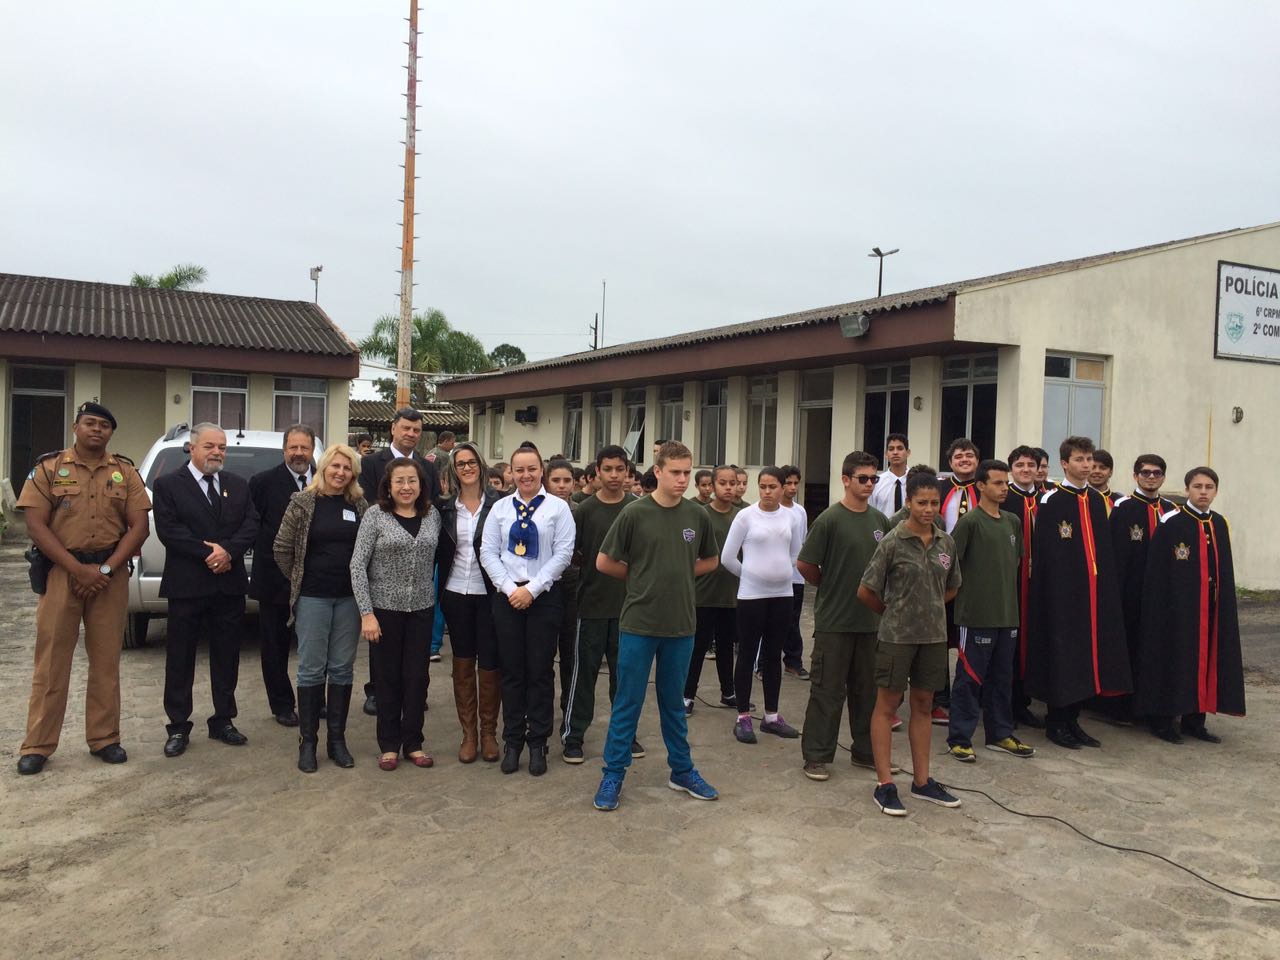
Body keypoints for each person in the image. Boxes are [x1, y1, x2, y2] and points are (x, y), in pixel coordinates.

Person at [15, 402, 151, 776]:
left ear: (111, 433)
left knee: (106, 662)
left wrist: (103, 569)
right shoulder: (49, 468)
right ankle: (37, 745)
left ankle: (105, 738)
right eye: (90, 423)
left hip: (110, 576)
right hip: (62, 573)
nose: (96, 430)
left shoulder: (125, 471)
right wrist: (78, 569)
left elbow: (139, 527)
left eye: (104, 425)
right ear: (76, 427)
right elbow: (36, 526)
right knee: (51, 662)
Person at [592, 441, 720, 811]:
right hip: (638, 624)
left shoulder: (697, 516)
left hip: (681, 625)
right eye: (676, 472)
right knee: (627, 702)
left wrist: (679, 573)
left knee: (673, 705)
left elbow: (710, 560)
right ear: (658, 472)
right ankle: (613, 773)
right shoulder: (635, 513)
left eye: (687, 472)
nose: (683, 480)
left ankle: (681, 770)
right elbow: (603, 561)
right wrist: (640, 578)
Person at [859, 471, 963, 817]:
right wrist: (895, 613)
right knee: (887, 706)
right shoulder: (892, 541)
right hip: (896, 638)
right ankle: (885, 784)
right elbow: (867, 591)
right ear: (909, 503)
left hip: (933, 638)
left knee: (923, 705)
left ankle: (922, 781)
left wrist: (929, 608)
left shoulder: (945, 543)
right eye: (922, 503)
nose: (929, 509)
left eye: (934, 503)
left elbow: (952, 587)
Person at [153, 423, 260, 759]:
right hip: (187, 585)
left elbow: (251, 524)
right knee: (180, 658)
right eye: (211, 446)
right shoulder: (168, 484)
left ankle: (223, 720)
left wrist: (227, 552)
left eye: (223, 448)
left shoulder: (237, 485)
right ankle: (178, 726)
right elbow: (170, 530)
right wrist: (210, 554)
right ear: (192, 448)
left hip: (227, 585)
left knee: (227, 655)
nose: (217, 453)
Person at [1026, 436, 1131, 750]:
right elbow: (1044, 556)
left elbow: (1104, 551)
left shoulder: (1098, 502)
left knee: (1087, 659)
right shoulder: (1052, 501)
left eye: (1090, 460)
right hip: (1063, 596)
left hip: (1094, 595)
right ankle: (1056, 722)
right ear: (1065, 463)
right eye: (1080, 460)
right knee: (1064, 659)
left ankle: (1074, 721)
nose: (1086, 466)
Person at [480, 443, 575, 776]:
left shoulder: (558, 509)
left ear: (541, 471)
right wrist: (511, 590)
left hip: (544, 597)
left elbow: (563, 555)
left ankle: (538, 743)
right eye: (519, 470)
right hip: (507, 597)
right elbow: (488, 552)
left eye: (532, 469)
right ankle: (513, 741)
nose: (525, 475)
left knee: (539, 672)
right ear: (511, 473)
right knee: (512, 672)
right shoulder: (501, 508)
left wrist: (531, 590)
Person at [797, 451, 891, 782]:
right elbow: (806, 564)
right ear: (846, 480)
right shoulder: (829, 520)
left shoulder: (880, 521)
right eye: (862, 478)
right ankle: (817, 755)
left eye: (873, 478)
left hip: (870, 623)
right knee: (827, 690)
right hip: (835, 621)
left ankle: (866, 752)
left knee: (867, 692)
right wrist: (831, 583)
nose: (868, 484)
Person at [273, 443, 367, 772]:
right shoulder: (303, 502)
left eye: (347, 468)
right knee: (311, 669)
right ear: (323, 468)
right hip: (313, 597)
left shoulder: (359, 504)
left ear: (353, 473)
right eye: (335, 467)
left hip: (349, 599)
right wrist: (302, 576)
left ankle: (337, 741)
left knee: (342, 668)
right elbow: (282, 549)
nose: (340, 473)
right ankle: (308, 743)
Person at [1137, 467, 1244, 744]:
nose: (1203, 492)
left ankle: (1195, 720)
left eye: (1209, 487)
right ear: (1187, 490)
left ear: (1216, 491)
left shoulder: (1219, 523)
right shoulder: (1171, 521)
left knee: (1205, 661)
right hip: (1177, 609)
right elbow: (1157, 571)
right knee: (1175, 661)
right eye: (1198, 486)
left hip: (1210, 607)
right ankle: (1163, 720)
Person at [351, 459, 441, 770]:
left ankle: (413, 742)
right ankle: (389, 745)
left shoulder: (432, 516)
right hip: (384, 611)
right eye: (399, 481)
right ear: (388, 486)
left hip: (421, 610)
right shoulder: (376, 516)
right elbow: (357, 565)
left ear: (421, 485)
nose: (406, 487)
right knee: (387, 679)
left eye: (412, 481)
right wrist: (366, 613)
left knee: (417, 678)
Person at [945, 460, 1036, 763]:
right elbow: (949, 563)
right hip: (976, 617)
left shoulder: (1012, 522)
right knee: (970, 679)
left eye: (1005, 483)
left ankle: (1000, 733)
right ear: (981, 486)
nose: (1004, 488)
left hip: (1007, 616)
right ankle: (959, 738)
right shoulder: (970, 522)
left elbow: (1017, 564)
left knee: (1002, 679)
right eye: (997, 483)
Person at [562, 446, 644, 763]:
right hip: (591, 607)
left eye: (619, 469)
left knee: (625, 677)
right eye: (607, 469)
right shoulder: (583, 511)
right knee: (584, 676)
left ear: (627, 472)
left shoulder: (638, 509)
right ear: (597, 471)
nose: (613, 475)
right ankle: (573, 737)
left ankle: (625, 734)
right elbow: (572, 554)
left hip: (629, 608)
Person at [358, 408, 440, 717]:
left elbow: (430, 507)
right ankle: (377, 691)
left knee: (414, 652)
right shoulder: (369, 463)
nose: (411, 434)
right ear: (393, 429)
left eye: (416, 430)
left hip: (417, 575)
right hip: (381, 554)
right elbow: (365, 503)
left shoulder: (427, 468)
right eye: (405, 428)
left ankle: (413, 694)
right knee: (381, 642)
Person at [722, 466, 805, 744]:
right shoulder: (745, 517)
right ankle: (743, 716)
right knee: (747, 654)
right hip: (751, 597)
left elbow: (794, 554)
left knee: (773, 655)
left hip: (782, 595)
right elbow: (727, 557)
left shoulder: (791, 518)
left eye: (773, 487)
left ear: (783, 488)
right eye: (763, 486)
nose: (767, 492)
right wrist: (752, 576)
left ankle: (772, 716)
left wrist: (777, 574)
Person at [436, 442, 504, 763]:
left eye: (471, 461)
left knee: (490, 663)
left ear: (481, 464)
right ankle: (469, 734)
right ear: (454, 469)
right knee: (463, 664)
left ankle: (489, 732)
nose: (466, 467)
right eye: (460, 463)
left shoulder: (500, 504)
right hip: (455, 594)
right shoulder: (445, 508)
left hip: (490, 594)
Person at [247, 425, 316, 727]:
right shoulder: (262, 483)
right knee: (275, 647)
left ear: (313, 450)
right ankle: (283, 705)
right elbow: (252, 528)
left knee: (316, 646)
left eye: (304, 447)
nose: (299, 453)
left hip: (316, 581)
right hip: (275, 580)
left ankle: (316, 701)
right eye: (293, 447)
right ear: (284, 449)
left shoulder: (325, 482)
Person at [1107, 454, 1178, 724]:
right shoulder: (1124, 509)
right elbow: (1115, 554)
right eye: (1145, 473)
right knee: (1131, 649)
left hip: (1163, 596)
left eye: (1156, 473)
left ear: (1163, 477)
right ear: (1135, 476)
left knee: (1159, 651)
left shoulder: (1172, 510)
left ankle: (1156, 705)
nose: (1151, 477)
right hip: (1132, 594)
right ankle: (1125, 708)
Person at [684, 465, 742, 715]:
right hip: (703, 594)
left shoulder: (742, 515)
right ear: (712, 485)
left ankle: (728, 692)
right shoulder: (699, 514)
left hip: (732, 594)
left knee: (727, 646)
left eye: (733, 483)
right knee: (698, 646)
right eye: (723, 483)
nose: (729, 488)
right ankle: (687, 695)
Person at [1003, 445, 1044, 729]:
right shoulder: (1005, 499)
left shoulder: (1048, 501)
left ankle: (1024, 702)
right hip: (1011, 582)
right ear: (1012, 470)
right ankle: (1006, 703)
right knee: (1010, 646)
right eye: (1020, 465)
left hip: (1040, 583)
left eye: (1031, 465)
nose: (1026, 470)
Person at [545, 457, 580, 717]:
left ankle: (568, 710)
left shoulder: (581, 511)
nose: (561, 486)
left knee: (570, 654)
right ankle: (540, 715)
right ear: (546, 482)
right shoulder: (537, 511)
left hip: (574, 589)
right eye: (555, 480)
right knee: (543, 657)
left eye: (566, 480)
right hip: (544, 588)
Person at [778, 465, 810, 680]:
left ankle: (793, 661)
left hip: (796, 575)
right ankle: (762, 664)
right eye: (787, 483)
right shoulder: (772, 510)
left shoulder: (800, 511)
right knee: (773, 622)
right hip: (775, 575)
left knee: (793, 619)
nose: (792, 487)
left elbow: (803, 541)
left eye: (795, 483)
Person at [869, 433, 910, 517]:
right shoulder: (876, 482)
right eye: (891, 449)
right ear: (886, 454)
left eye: (900, 448)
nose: (895, 452)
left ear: (908, 452)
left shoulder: (916, 480)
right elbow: (870, 511)